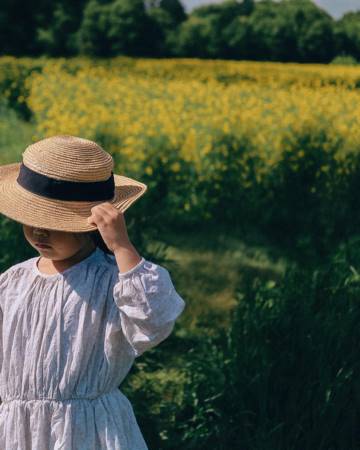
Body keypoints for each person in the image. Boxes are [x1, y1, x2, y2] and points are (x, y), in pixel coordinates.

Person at [0, 135, 186, 449]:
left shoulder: (113, 281)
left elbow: (154, 321)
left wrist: (121, 246)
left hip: (87, 433)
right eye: (33, 218)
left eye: (55, 222)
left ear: (94, 223)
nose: (40, 231)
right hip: (17, 433)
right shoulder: (12, 282)